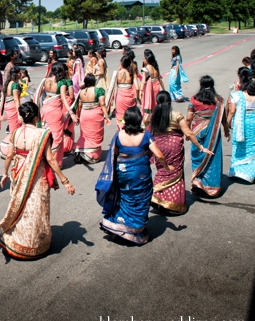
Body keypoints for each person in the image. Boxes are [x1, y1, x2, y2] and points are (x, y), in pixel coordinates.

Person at [0, 101, 75, 259]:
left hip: (18, 174)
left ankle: (18, 240)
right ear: (36, 117)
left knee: (21, 207)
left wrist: (5, 173)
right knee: (35, 209)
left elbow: (9, 155)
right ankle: (34, 245)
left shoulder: (15, 133)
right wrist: (65, 180)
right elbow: (51, 159)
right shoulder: (42, 134)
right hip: (37, 176)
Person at [96, 106, 172, 245]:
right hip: (140, 176)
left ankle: (121, 226)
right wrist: (167, 167)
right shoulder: (146, 136)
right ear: (139, 120)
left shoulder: (118, 135)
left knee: (125, 198)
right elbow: (159, 155)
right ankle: (135, 229)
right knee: (140, 200)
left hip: (123, 174)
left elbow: (114, 155)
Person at [150, 91, 213, 214]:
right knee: (174, 172)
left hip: (159, 145)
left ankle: (158, 196)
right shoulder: (176, 115)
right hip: (173, 146)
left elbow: (150, 133)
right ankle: (171, 202)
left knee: (163, 170)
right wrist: (201, 147)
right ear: (169, 102)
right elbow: (188, 133)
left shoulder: (154, 116)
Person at [186, 76, 229, 197]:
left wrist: (187, 132)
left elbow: (189, 118)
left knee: (198, 157)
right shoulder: (219, 101)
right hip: (213, 135)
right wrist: (226, 130)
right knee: (212, 159)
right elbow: (223, 118)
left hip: (197, 133)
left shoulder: (194, 100)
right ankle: (212, 186)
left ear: (200, 85)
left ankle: (198, 182)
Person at [33, 62, 76, 166]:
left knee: (48, 133)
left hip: (45, 107)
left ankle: (48, 157)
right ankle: (50, 160)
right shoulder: (61, 83)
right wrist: (71, 113)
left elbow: (38, 95)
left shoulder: (45, 81)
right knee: (57, 136)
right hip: (55, 110)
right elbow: (63, 98)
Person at [75, 74, 111, 164]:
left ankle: (82, 151)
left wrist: (78, 117)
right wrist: (106, 116)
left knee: (85, 135)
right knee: (95, 135)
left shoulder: (82, 91)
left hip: (84, 114)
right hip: (94, 115)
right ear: (94, 81)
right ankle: (92, 156)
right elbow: (102, 104)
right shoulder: (98, 90)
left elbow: (79, 106)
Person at [227, 74, 255, 183]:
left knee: (240, 146)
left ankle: (238, 171)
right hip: (253, 124)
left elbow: (232, 111)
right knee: (252, 147)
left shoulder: (237, 95)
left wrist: (226, 125)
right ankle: (251, 171)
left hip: (241, 126)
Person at [107, 55, 140, 130]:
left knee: (121, 115)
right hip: (130, 96)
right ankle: (129, 127)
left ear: (121, 63)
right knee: (129, 113)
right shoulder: (132, 73)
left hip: (120, 96)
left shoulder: (118, 73)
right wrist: (136, 97)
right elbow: (137, 87)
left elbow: (112, 87)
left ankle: (122, 128)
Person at [0, 66, 22, 158]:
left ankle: (13, 150)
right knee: (14, 131)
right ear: (15, 74)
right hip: (13, 107)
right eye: (19, 73)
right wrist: (19, 113)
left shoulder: (8, 83)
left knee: (13, 129)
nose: (21, 74)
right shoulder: (14, 84)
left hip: (8, 106)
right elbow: (16, 100)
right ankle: (7, 151)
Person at [140, 49, 165, 126]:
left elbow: (143, 81)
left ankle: (147, 121)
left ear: (147, 60)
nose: (143, 60)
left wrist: (140, 91)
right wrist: (164, 89)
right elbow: (160, 79)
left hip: (149, 88)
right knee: (155, 103)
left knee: (148, 103)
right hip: (156, 86)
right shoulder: (155, 67)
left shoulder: (146, 68)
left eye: (144, 59)